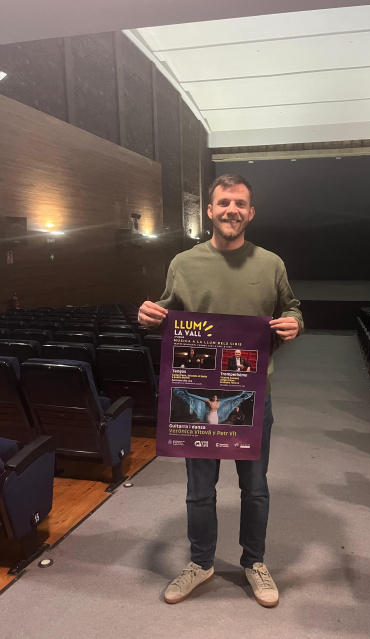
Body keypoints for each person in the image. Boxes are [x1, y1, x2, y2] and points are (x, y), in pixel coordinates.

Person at [138, 174, 303, 608]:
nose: (232, 210)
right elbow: (167, 311)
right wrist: (150, 315)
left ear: (251, 212)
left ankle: (254, 561)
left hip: (253, 396)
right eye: (224, 202)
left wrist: (295, 323)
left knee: (256, 488)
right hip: (195, 395)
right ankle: (201, 562)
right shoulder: (183, 263)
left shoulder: (271, 264)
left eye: (240, 203)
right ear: (210, 210)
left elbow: (291, 307)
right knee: (199, 490)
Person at [172, 389, 253, 425]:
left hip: (217, 416)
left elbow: (228, 399)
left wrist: (238, 396)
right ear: (212, 398)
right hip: (209, 415)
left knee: (215, 425)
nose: (215, 398)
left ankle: (243, 396)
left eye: (216, 397)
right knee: (210, 424)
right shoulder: (209, 402)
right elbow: (199, 398)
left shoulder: (219, 402)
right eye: (214, 397)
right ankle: (184, 395)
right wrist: (189, 394)